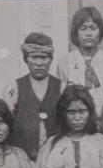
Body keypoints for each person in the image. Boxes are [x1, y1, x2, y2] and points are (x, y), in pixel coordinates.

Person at [5, 33, 62, 161]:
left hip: (54, 158)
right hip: (22, 158)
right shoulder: (13, 87)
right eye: (34, 57)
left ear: (51, 59)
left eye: (44, 57)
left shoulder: (61, 87)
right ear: (26, 59)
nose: (39, 63)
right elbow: (6, 123)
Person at [58, 5, 103, 117]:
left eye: (93, 28)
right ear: (75, 32)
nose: (88, 33)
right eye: (83, 28)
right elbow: (62, 98)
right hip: (75, 121)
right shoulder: (65, 63)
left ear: (100, 31)